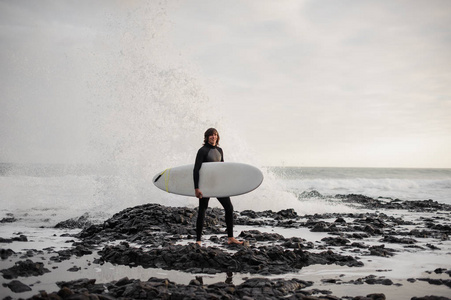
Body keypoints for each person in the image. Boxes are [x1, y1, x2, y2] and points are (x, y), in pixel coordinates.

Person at [193, 128, 243, 246]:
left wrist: (226, 184)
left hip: (218, 184)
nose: (213, 137)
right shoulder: (202, 151)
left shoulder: (220, 150)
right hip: (206, 185)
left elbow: (222, 169)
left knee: (229, 208)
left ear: (217, 137)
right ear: (206, 137)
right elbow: (196, 169)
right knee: (202, 210)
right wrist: (196, 188)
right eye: (210, 135)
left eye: (215, 135)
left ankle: (230, 238)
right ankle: (198, 240)